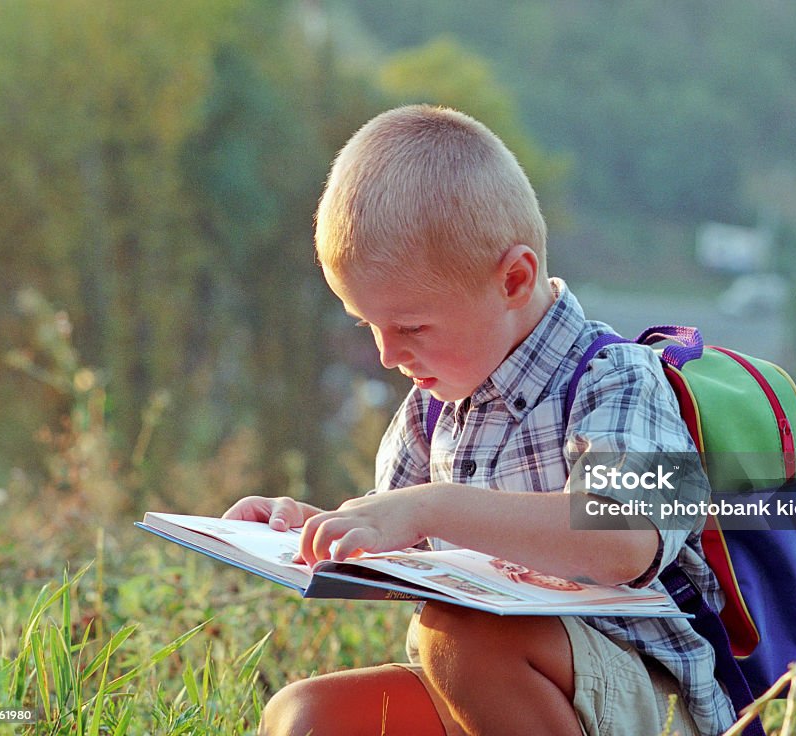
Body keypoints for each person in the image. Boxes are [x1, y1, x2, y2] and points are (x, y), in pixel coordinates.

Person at [223, 105, 735, 736]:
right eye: (369, 327)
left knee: (460, 636)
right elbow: (400, 542)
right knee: (304, 715)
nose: (387, 355)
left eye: (410, 327)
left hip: (643, 697)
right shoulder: (432, 406)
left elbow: (625, 539)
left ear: (514, 279)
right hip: (489, 696)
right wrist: (319, 530)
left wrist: (432, 506)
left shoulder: (623, 380)